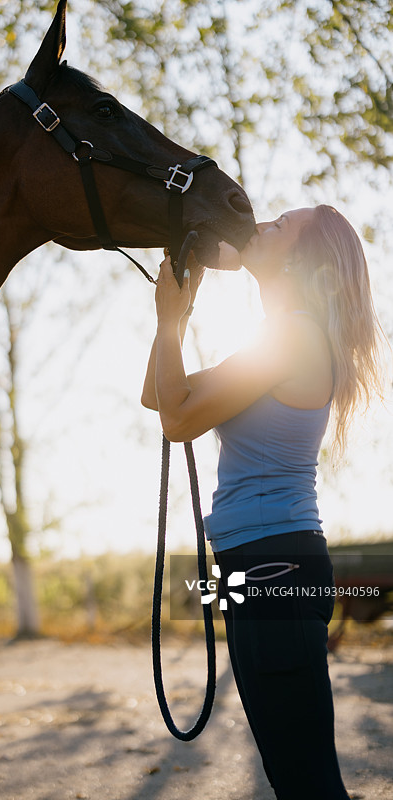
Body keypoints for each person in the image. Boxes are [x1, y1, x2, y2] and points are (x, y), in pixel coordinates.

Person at [141, 205, 386, 800]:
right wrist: (171, 317)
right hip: (256, 564)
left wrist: (173, 321)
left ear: (301, 262)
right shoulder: (279, 337)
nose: (260, 227)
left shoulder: (294, 335)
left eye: (279, 226)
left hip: (275, 563)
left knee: (306, 782)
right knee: (294, 774)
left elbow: (177, 420)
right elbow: (158, 395)